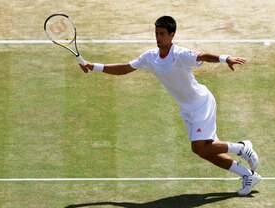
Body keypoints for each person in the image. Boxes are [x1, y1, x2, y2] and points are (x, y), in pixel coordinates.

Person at [79, 16, 260, 196]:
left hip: (201, 104)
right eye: (157, 33)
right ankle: (247, 175)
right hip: (187, 109)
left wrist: (225, 57)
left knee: (198, 147)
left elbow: (202, 55)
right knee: (204, 151)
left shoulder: (180, 54)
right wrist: (93, 66)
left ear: (172, 35)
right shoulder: (150, 57)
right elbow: (125, 68)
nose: (159, 37)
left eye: (163, 34)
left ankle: (242, 148)